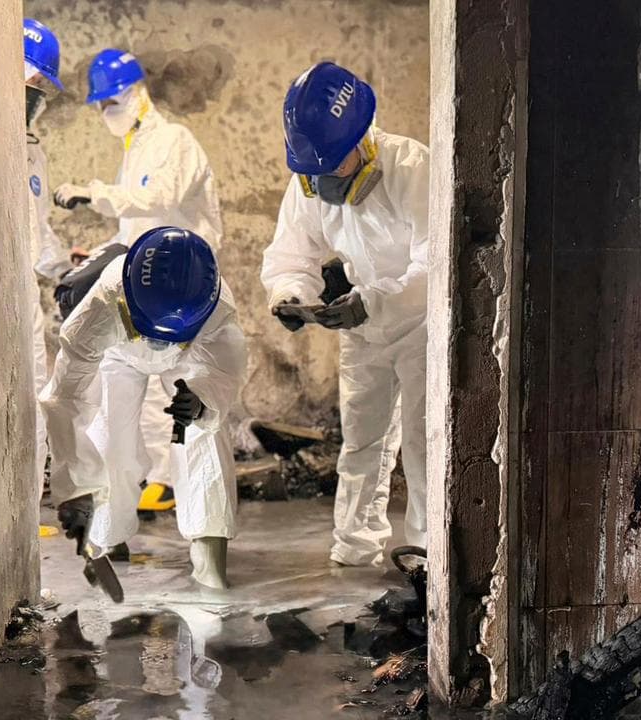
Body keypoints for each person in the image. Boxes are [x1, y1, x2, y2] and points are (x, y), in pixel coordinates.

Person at [260, 62, 430, 567]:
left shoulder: (412, 168)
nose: (324, 177)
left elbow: (436, 263)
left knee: (424, 447)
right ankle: (355, 547)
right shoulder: (308, 181)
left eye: (333, 162)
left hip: (420, 327)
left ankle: (427, 554)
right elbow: (291, 255)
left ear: (363, 137)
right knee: (361, 443)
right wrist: (290, 295)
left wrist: (374, 301)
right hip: (362, 329)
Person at [53, 49, 224, 516]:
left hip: (188, 281)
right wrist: (104, 251)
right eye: (101, 105)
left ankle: (191, 489)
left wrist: (97, 192)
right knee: (140, 374)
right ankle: (158, 481)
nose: (105, 113)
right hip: (150, 283)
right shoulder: (136, 148)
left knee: (183, 381)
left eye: (110, 102)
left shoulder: (175, 141)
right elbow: (135, 226)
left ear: (136, 94)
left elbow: (160, 198)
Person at [43, 226, 246, 589]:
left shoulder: (217, 310)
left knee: (203, 433)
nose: (157, 342)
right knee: (109, 436)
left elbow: (223, 374)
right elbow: (67, 401)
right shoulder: (100, 308)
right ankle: (104, 537)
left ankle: (208, 548)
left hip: (188, 357)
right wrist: (73, 490)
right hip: (117, 355)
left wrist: (202, 400)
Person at [22, 19, 77, 500]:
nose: (37, 96)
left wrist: (66, 269)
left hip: (22, 301)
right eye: (32, 85)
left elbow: (36, 231)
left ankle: (25, 504)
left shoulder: (31, 152)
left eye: (42, 88)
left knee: (35, 395)